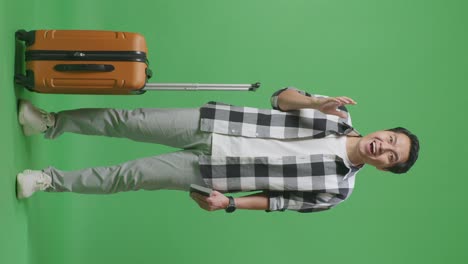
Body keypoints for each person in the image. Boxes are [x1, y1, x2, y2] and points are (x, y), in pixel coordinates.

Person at [16, 87, 420, 213]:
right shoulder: (336, 116)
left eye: (391, 156)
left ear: (385, 169)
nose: (384, 148)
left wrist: (228, 203)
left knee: (130, 176)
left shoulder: (339, 188)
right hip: (216, 124)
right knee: (129, 118)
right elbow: (281, 98)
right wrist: (314, 102)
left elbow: (279, 202)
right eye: (391, 140)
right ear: (384, 130)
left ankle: (48, 181)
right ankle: (50, 122)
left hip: (215, 172)